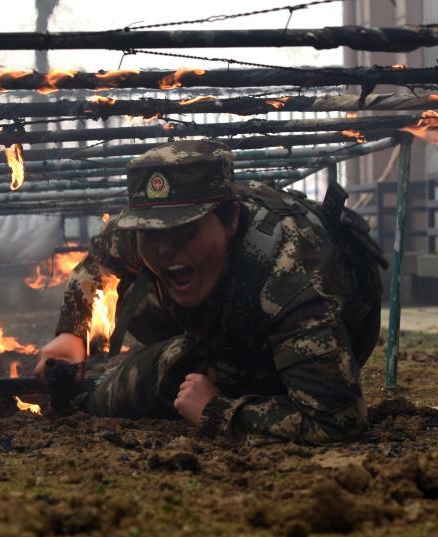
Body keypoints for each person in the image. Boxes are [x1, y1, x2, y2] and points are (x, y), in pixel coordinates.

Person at [35, 140, 385, 444]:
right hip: (228, 310)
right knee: (139, 301)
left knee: (150, 379)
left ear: (230, 220)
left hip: (296, 339)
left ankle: (197, 373)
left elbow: (338, 421)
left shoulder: (291, 282)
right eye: (153, 233)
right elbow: (97, 263)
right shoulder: (142, 229)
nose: (166, 249)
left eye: (184, 231)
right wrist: (72, 334)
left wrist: (216, 409)